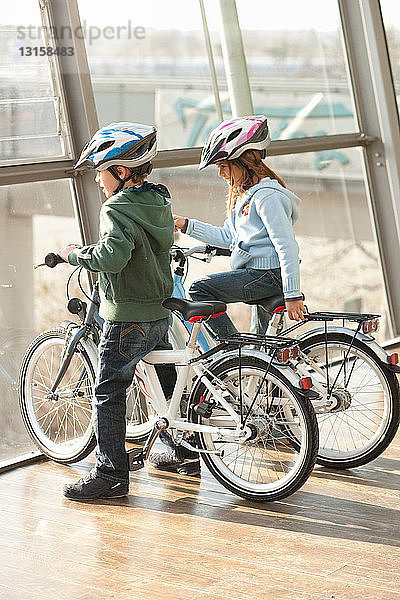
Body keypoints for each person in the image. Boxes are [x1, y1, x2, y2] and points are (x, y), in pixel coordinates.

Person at [149, 114, 306, 475]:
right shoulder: (249, 196)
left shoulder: (265, 196)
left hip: (266, 277)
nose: (220, 174)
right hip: (259, 274)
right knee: (263, 345)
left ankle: (233, 353)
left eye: (223, 166)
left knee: (199, 288)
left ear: (241, 161)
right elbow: (229, 238)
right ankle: (248, 362)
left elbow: (285, 245)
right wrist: (186, 225)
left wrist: (293, 292)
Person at [59, 122, 175, 501]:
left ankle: (110, 473)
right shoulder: (158, 200)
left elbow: (112, 257)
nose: (96, 179)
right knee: (163, 374)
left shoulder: (117, 207)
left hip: (127, 314)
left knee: (109, 389)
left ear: (121, 172)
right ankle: (182, 450)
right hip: (160, 308)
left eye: (99, 170)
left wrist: (75, 254)